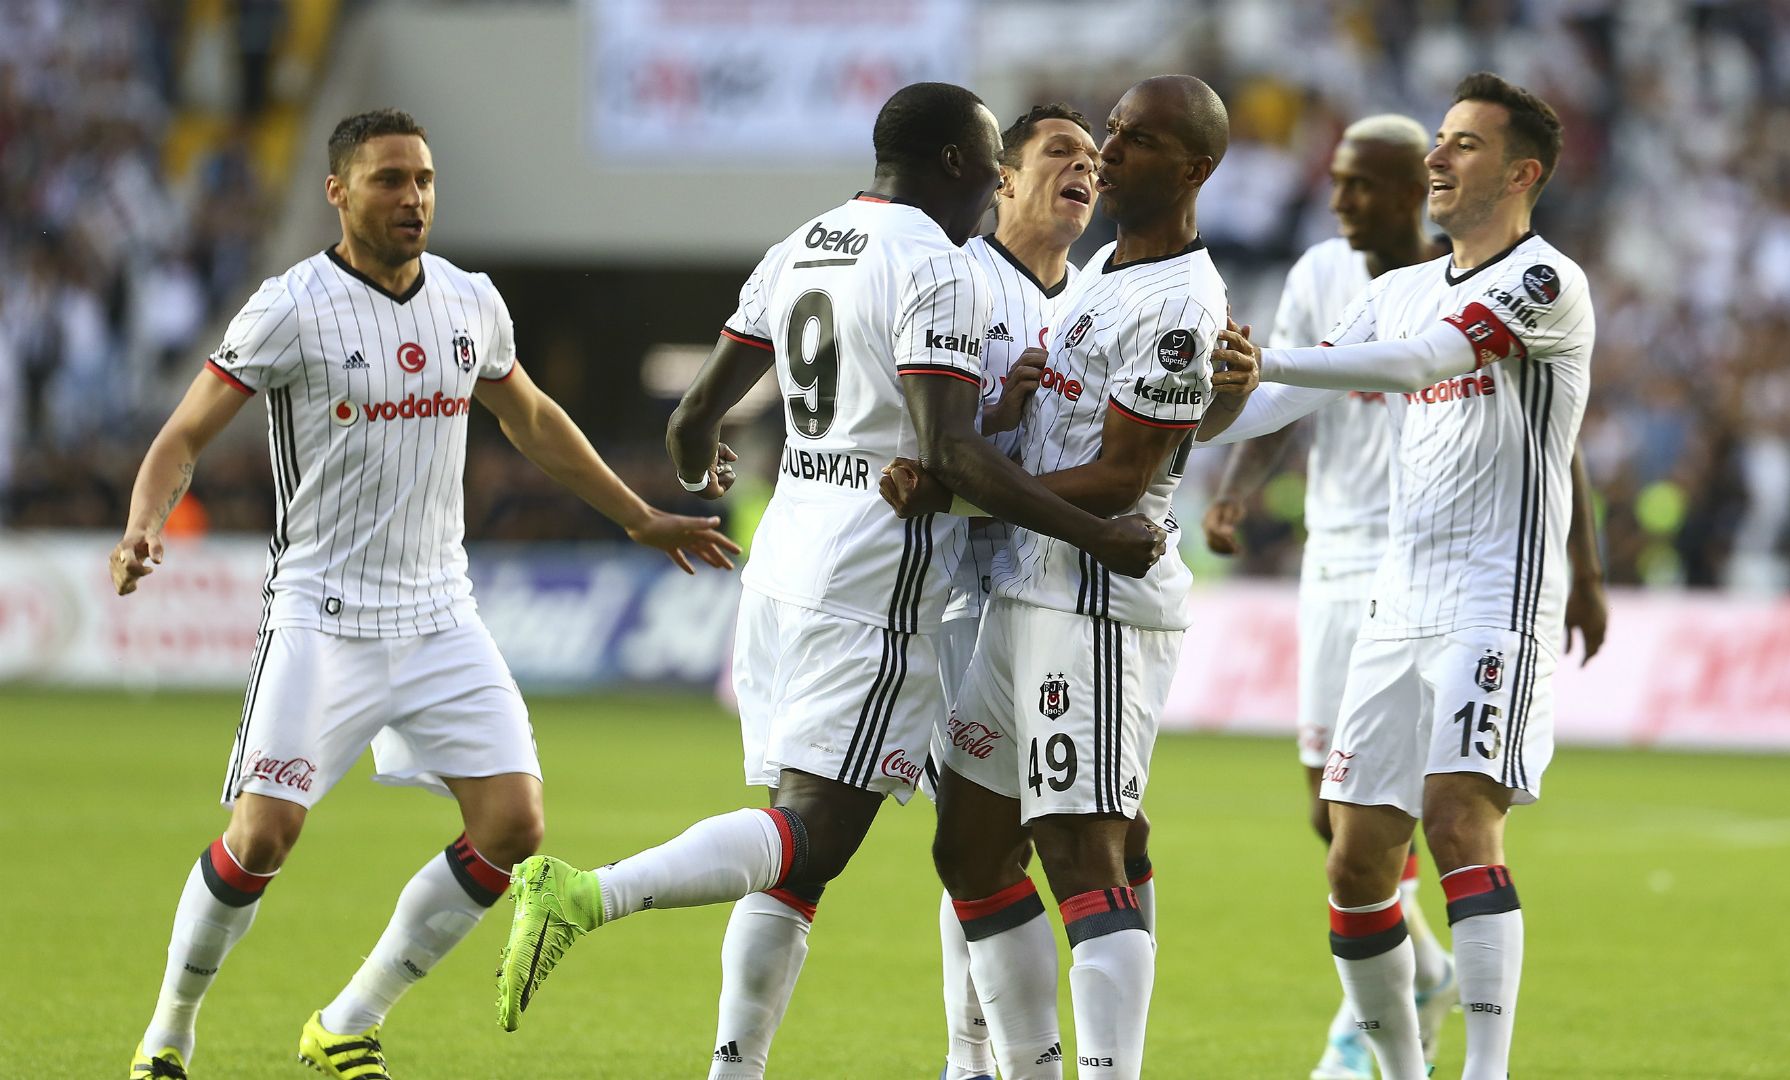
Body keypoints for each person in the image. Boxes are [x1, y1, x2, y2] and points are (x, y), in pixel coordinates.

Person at [493, 82, 1166, 1080]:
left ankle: (738, 1067)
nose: (993, 183)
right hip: (874, 585)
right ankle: (589, 894)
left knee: (794, 856)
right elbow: (948, 457)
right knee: (810, 838)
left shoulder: (801, 244)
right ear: (955, 163)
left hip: (782, 573)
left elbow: (691, 424)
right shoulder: (938, 265)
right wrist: (1097, 532)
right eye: (990, 161)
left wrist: (704, 473)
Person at [115, 108, 740, 1080]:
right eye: (389, 180)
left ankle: (348, 1021)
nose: (413, 198)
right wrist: (145, 522)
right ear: (337, 192)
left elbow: (532, 419)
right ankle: (169, 1031)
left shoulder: (468, 300)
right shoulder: (290, 308)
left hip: (440, 610)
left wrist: (637, 516)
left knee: (514, 828)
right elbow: (183, 435)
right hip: (321, 612)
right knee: (263, 835)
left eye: (424, 180)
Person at [1202, 73, 1597, 1080]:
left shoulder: (1545, 281)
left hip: (1494, 597)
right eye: (1439, 139)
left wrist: (1269, 362)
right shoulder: (1394, 290)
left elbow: (1420, 364)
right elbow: (1270, 411)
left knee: (1459, 818)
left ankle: (1486, 1072)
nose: (1437, 156)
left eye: (1464, 143)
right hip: (1396, 596)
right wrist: (1174, 416)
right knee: (1354, 858)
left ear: (1522, 174)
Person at [887, 75, 1239, 1080]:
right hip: (1023, 593)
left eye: (1137, 140)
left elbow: (1125, 476)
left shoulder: (1180, 301)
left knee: (1082, 848)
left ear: (1195, 169)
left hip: (1094, 606)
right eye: (1110, 131)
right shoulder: (1102, 277)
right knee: (967, 848)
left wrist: (962, 491)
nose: (1110, 151)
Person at [922, 102, 1160, 1080]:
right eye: (1062, 152)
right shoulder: (958, 280)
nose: (1087, 169)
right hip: (956, 594)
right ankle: (970, 1057)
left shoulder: (1100, 293)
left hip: (1060, 596)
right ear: (1004, 178)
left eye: (1095, 158)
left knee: (1107, 831)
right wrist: (993, 416)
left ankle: (1041, 1057)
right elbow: (924, 444)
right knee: (980, 837)